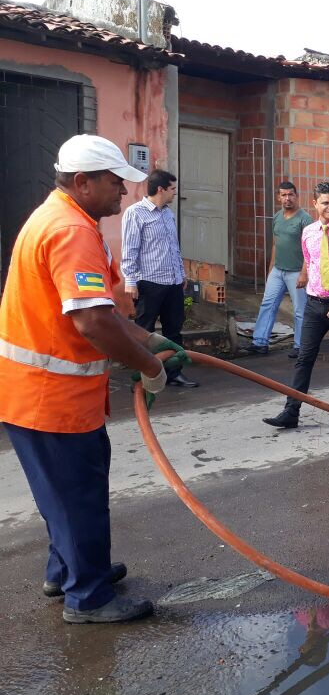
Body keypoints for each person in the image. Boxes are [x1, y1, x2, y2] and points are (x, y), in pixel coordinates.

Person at [0, 134, 188, 623]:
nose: (123, 193)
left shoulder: (61, 217)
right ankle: (89, 598)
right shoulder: (71, 231)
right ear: (82, 182)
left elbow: (100, 311)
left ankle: (69, 571)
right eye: (113, 183)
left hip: (41, 395)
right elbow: (93, 323)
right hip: (50, 398)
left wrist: (149, 342)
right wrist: (149, 369)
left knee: (61, 493)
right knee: (77, 496)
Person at [263, 181, 329, 429]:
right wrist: (305, 278)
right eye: (325, 202)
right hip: (314, 304)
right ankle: (291, 411)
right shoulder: (309, 232)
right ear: (315, 204)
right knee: (304, 358)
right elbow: (310, 261)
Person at [121, 168, 198, 387]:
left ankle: (174, 373)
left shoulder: (167, 213)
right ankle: (143, 378)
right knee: (144, 331)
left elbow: (174, 247)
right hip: (148, 282)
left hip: (172, 283)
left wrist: (181, 274)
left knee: (174, 329)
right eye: (173, 189)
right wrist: (130, 280)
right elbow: (130, 250)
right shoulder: (135, 213)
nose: (175, 193)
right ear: (161, 189)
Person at [244, 181, 313, 358]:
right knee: (268, 304)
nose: (287, 198)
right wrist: (270, 270)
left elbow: (310, 250)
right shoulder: (277, 217)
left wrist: (304, 274)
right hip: (277, 271)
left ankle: (300, 346)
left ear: (296, 196)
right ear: (278, 197)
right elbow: (275, 245)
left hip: (297, 271)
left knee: (299, 310)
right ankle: (260, 343)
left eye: (290, 194)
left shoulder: (305, 219)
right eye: (283, 195)